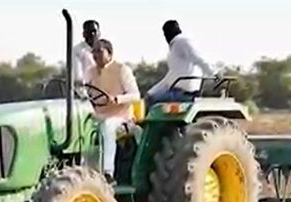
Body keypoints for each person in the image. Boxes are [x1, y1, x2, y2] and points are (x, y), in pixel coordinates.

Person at [85, 39, 141, 181]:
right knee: (81, 126)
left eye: (99, 51)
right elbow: (85, 91)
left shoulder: (122, 70)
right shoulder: (90, 72)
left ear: (109, 53)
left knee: (107, 126)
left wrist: (117, 99)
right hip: (98, 115)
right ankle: (84, 171)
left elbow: (136, 95)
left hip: (122, 119)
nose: (95, 55)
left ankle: (107, 172)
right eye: (93, 52)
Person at [145, 20, 216, 105]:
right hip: (178, 90)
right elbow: (169, 77)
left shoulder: (181, 42)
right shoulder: (176, 50)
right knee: (150, 97)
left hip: (183, 93)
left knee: (151, 101)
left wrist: (214, 73)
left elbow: (199, 58)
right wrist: (151, 92)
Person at [71, 20, 100, 86]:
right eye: (89, 32)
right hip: (84, 90)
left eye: (94, 31)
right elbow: (77, 77)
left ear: (99, 33)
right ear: (84, 34)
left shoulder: (105, 50)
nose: (92, 34)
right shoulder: (77, 50)